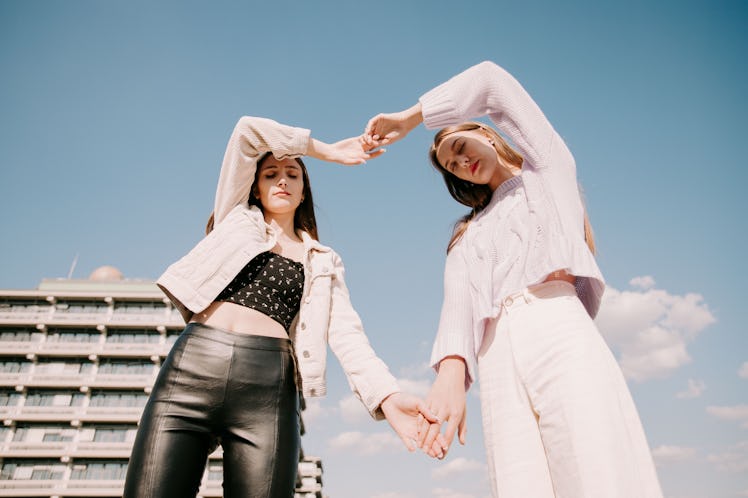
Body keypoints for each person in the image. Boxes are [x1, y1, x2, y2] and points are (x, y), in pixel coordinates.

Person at [363, 61, 663, 497]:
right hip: (496, 354)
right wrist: (451, 374)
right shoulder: (466, 236)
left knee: (595, 466)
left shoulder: (548, 172)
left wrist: (411, 119)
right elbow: (458, 309)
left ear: (486, 134)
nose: (461, 162)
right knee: (519, 482)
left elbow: (489, 80)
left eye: (460, 147)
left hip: (556, 326)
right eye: (451, 165)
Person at [123, 115, 435, 498]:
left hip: (268, 389)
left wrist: (387, 398)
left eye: (293, 174)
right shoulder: (235, 217)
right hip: (192, 370)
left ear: (304, 192)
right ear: (254, 188)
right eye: (271, 174)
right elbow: (246, 130)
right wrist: (325, 151)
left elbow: (348, 336)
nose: (283, 180)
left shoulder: (322, 260)